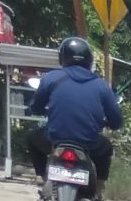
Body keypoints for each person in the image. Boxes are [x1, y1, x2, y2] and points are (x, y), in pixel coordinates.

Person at [24, 35, 124, 187]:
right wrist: (109, 123)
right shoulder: (101, 86)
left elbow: (36, 107)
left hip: (54, 140)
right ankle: (99, 187)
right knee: (106, 149)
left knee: (32, 138)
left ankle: (42, 178)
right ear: (89, 60)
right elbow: (117, 121)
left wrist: (35, 109)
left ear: (62, 57)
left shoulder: (50, 78)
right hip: (89, 143)